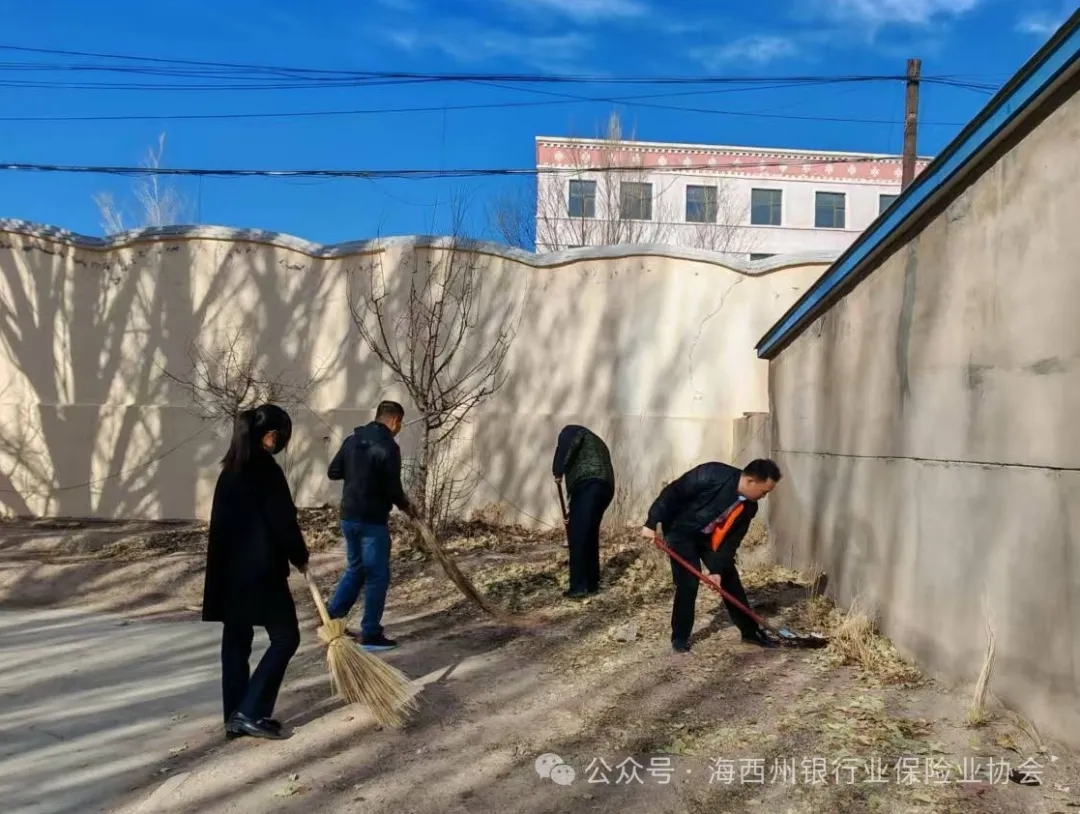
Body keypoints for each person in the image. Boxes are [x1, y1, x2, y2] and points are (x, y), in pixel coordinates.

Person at [202, 404, 310, 741]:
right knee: (286, 637)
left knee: (236, 640)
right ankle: (250, 712)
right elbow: (283, 522)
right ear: (271, 436)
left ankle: (235, 716)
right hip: (260, 573)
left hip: (228, 574)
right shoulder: (266, 471)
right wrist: (299, 555)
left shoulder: (230, 470)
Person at [640, 458, 782, 654]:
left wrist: (717, 570)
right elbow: (674, 492)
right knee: (688, 581)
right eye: (764, 492)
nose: (764, 496)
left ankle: (750, 632)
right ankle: (680, 637)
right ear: (751, 481)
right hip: (680, 531)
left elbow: (730, 542)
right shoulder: (712, 474)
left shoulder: (749, 507)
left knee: (730, 578)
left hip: (709, 539)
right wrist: (651, 522)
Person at [326, 400, 414, 651]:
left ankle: (332, 617)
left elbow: (333, 472)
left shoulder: (352, 440)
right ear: (394, 421)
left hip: (348, 516)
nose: (399, 428)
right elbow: (394, 488)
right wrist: (407, 507)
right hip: (372, 521)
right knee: (377, 576)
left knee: (356, 568)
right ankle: (371, 633)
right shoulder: (389, 446)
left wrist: (357, 472)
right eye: (400, 423)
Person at [552, 424, 615, 598]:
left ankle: (578, 587)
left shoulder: (572, 431)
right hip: (605, 487)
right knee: (589, 534)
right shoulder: (595, 441)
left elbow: (567, 442)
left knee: (578, 535)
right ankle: (592, 583)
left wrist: (557, 470)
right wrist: (572, 513)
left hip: (589, 484)